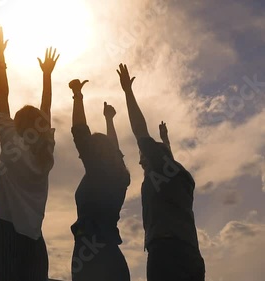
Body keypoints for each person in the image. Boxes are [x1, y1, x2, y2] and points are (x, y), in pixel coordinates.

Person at [116, 63, 205, 281]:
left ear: (156, 156)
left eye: (143, 156)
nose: (140, 161)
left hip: (167, 253)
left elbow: (139, 131)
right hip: (190, 254)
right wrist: (165, 139)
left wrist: (128, 91)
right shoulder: (178, 177)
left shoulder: (160, 169)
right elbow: (169, 158)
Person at [0, 25, 58, 281]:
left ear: (17, 124)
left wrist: (0, 59)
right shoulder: (45, 154)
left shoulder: (10, 140)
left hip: (4, 232)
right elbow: (46, 108)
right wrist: (47, 75)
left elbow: (2, 95)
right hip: (34, 240)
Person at [68, 79, 131, 281]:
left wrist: (77, 95)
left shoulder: (98, 174)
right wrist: (109, 120)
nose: (81, 157)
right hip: (112, 256)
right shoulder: (119, 177)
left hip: (91, 258)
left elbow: (80, 132)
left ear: (94, 154)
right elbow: (116, 152)